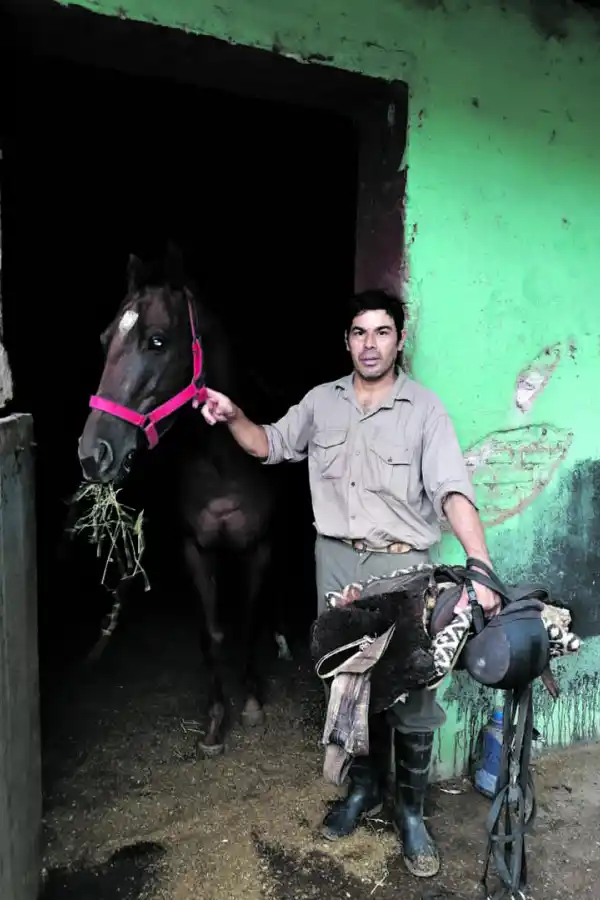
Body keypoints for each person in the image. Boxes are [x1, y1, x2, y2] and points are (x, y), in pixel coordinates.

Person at [200, 289, 499, 879]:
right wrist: (234, 415)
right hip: (337, 564)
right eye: (360, 332)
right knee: (347, 686)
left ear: (399, 339)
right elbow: (270, 444)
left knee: (413, 692)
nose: (370, 344)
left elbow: (451, 490)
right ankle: (363, 790)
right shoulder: (321, 403)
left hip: (405, 568)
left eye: (382, 332)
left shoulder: (425, 410)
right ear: (346, 341)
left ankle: (411, 814)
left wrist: (479, 563)